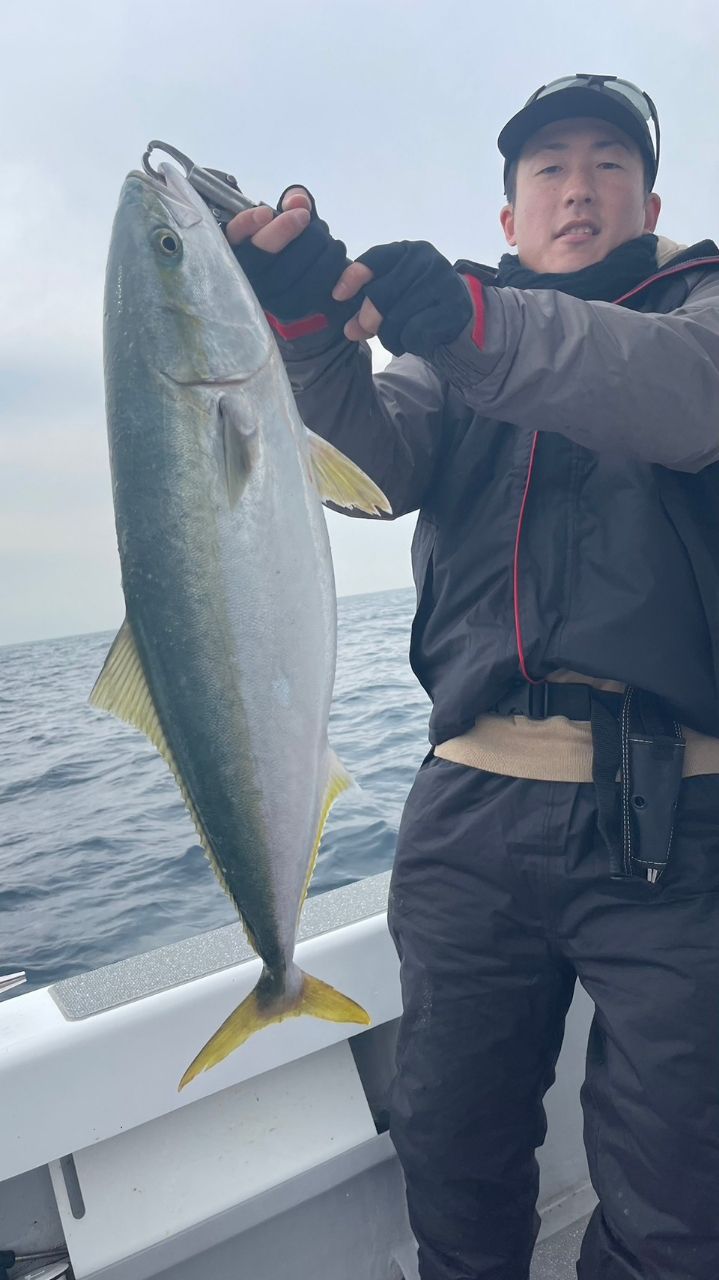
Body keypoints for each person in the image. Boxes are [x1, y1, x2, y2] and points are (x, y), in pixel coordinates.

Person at [226, 74, 719, 1280]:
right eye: (547, 168)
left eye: (606, 164)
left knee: (682, 1203)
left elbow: (672, 393)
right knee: (450, 1154)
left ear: (647, 198)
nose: (577, 189)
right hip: (467, 817)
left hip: (678, 821)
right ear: (507, 215)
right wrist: (302, 333)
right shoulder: (449, 349)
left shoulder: (696, 311)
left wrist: (464, 316)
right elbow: (372, 466)